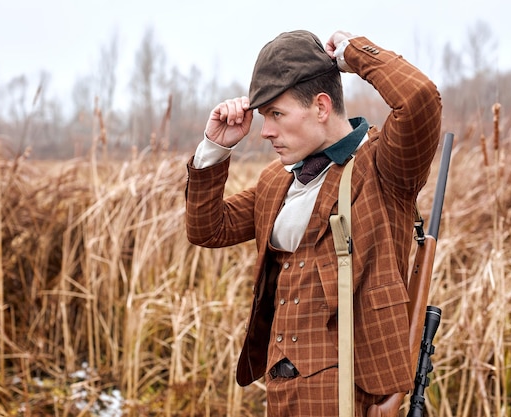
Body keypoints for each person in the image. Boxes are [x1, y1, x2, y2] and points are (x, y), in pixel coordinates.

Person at [185, 29, 442, 417]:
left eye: (276, 114)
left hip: (352, 394)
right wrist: (215, 147)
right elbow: (208, 228)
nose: (265, 130)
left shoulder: (383, 167)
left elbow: (420, 99)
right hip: (282, 390)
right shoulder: (277, 180)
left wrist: (354, 54)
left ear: (321, 107)